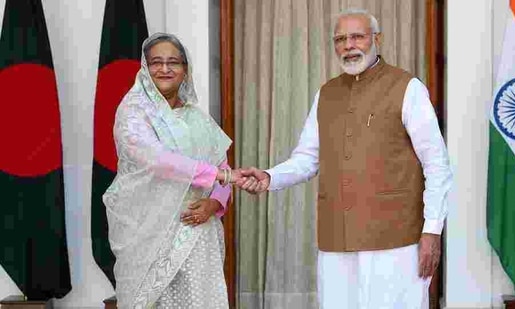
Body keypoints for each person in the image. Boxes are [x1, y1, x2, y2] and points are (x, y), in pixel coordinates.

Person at [237, 9, 453, 309]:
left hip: (396, 240)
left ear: (376, 40)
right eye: (340, 39)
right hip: (337, 239)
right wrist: (270, 176)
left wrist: (432, 230)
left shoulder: (408, 88)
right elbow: (306, 159)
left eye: (357, 37)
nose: (348, 45)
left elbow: (437, 164)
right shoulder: (326, 94)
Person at [103, 32, 240, 308]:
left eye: (173, 62)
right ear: (145, 68)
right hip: (149, 236)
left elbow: (223, 167)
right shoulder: (133, 112)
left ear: (185, 71)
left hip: (197, 236)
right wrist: (218, 175)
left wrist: (214, 203)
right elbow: (156, 159)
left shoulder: (198, 119)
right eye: (156, 62)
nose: (165, 68)